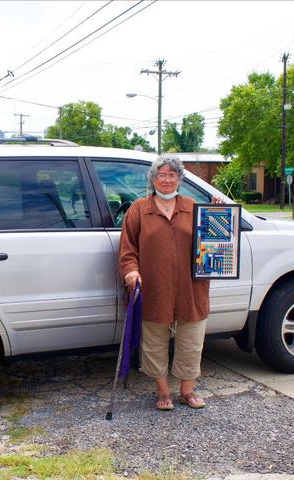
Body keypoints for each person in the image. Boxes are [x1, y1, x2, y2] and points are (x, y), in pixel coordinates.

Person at [118, 155, 222, 411]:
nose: (166, 180)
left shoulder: (193, 207)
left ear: (180, 179)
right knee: (154, 342)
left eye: (172, 175)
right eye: (161, 175)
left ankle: (187, 391)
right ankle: (163, 391)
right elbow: (128, 248)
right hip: (154, 287)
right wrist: (131, 271)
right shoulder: (139, 209)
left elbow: (213, 245)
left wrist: (217, 216)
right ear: (153, 179)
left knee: (191, 340)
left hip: (191, 288)